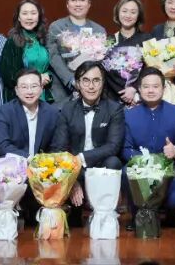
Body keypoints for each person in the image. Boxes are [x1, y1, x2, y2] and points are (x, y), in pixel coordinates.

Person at [122, 67, 175, 228]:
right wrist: (146, 161)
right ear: (139, 89)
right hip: (141, 168)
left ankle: (171, 214)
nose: (151, 90)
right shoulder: (129, 115)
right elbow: (125, 148)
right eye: (146, 87)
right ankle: (137, 216)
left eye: (155, 86)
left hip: (170, 169)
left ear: (163, 88)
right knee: (126, 171)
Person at [59, 61, 125, 226]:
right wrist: (72, 179)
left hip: (101, 165)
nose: (91, 86)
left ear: (103, 83)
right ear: (78, 84)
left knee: (114, 162)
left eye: (96, 80)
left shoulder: (114, 109)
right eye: (86, 80)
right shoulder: (67, 109)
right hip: (75, 168)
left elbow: (113, 146)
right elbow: (60, 148)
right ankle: (76, 208)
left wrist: (82, 157)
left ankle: (106, 211)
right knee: (74, 224)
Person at [46, 0, 107, 103]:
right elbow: (54, 57)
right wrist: (71, 80)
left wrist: (87, 82)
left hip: (91, 90)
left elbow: (101, 62)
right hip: (63, 91)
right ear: (67, 4)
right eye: (73, 0)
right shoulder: (56, 27)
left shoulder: (99, 30)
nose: (78, 4)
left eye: (82, 0)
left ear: (89, 4)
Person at [0, 68, 67, 157]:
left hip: (44, 164)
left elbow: (58, 147)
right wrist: (29, 159)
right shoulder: (4, 112)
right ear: (16, 90)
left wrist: (43, 161)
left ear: (41, 88)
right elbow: (2, 146)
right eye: (24, 87)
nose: (29, 91)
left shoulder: (53, 113)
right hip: (13, 163)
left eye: (34, 86)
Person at [0, 0, 53, 103]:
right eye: (25, 13)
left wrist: (48, 77)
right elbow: (8, 76)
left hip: (42, 96)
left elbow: (50, 68)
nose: (29, 17)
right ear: (18, 17)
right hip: (20, 99)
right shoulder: (12, 41)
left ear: (39, 16)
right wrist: (36, 79)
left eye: (33, 13)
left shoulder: (44, 38)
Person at [107, 0, 152, 105]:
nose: (128, 15)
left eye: (133, 12)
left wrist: (134, 88)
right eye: (124, 11)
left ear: (138, 15)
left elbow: (151, 69)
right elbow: (105, 72)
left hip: (140, 98)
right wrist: (124, 94)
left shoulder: (147, 39)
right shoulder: (110, 40)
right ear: (118, 13)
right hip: (113, 99)